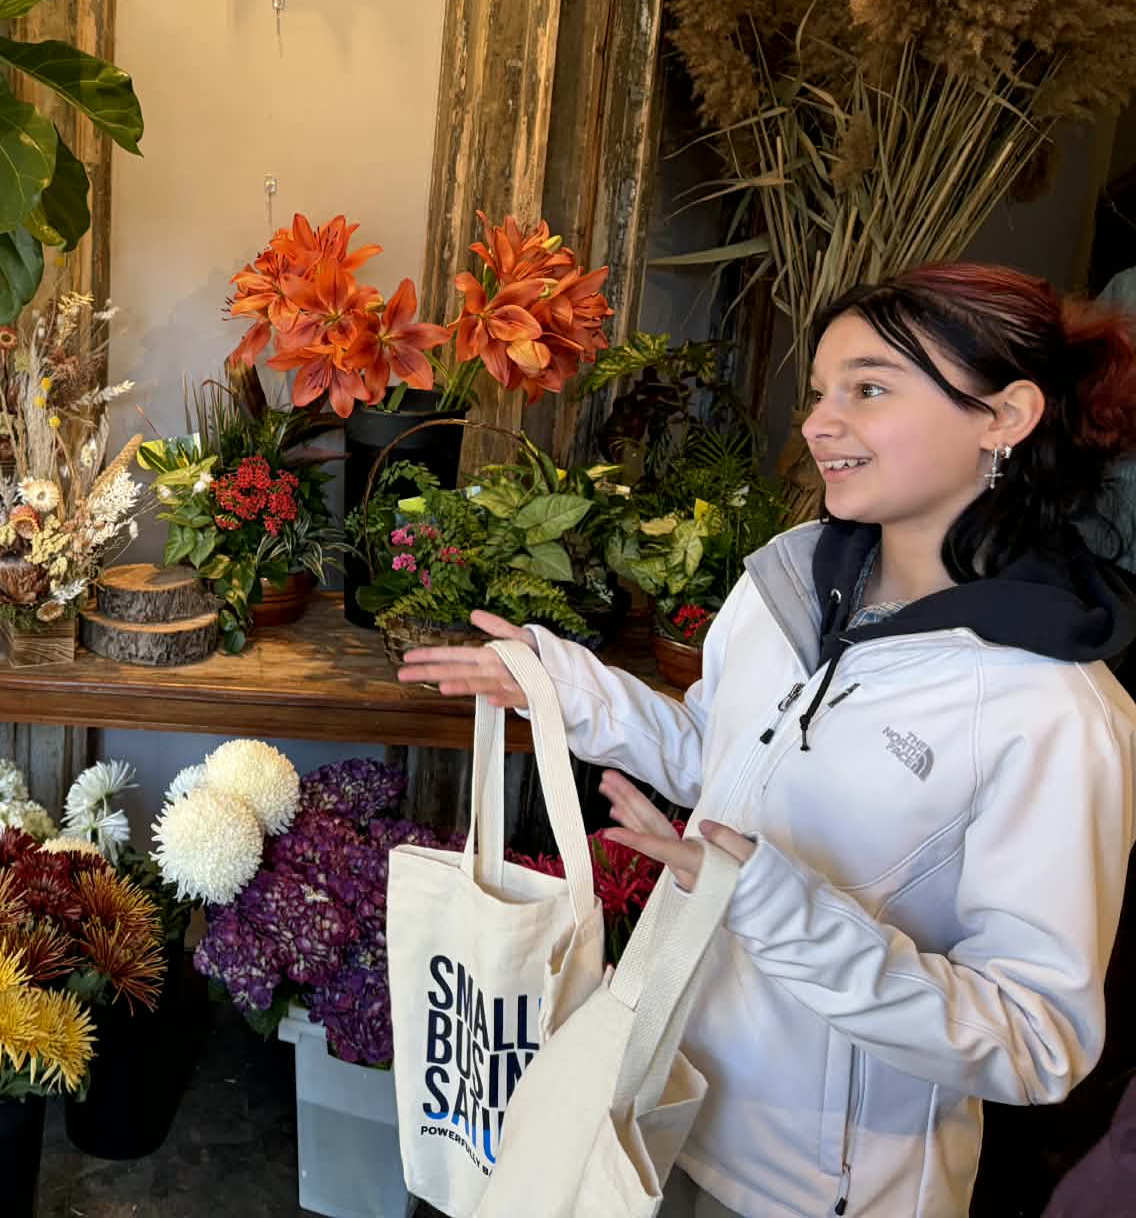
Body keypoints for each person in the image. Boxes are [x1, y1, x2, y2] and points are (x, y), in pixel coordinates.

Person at [399, 262, 1136, 1217]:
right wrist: (569, 692)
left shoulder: (1055, 712)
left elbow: (1037, 1041)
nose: (821, 424)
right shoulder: (787, 585)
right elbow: (724, 763)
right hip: (656, 1098)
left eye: (869, 390)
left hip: (815, 1187)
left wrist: (769, 907)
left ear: (1005, 416)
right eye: (820, 392)